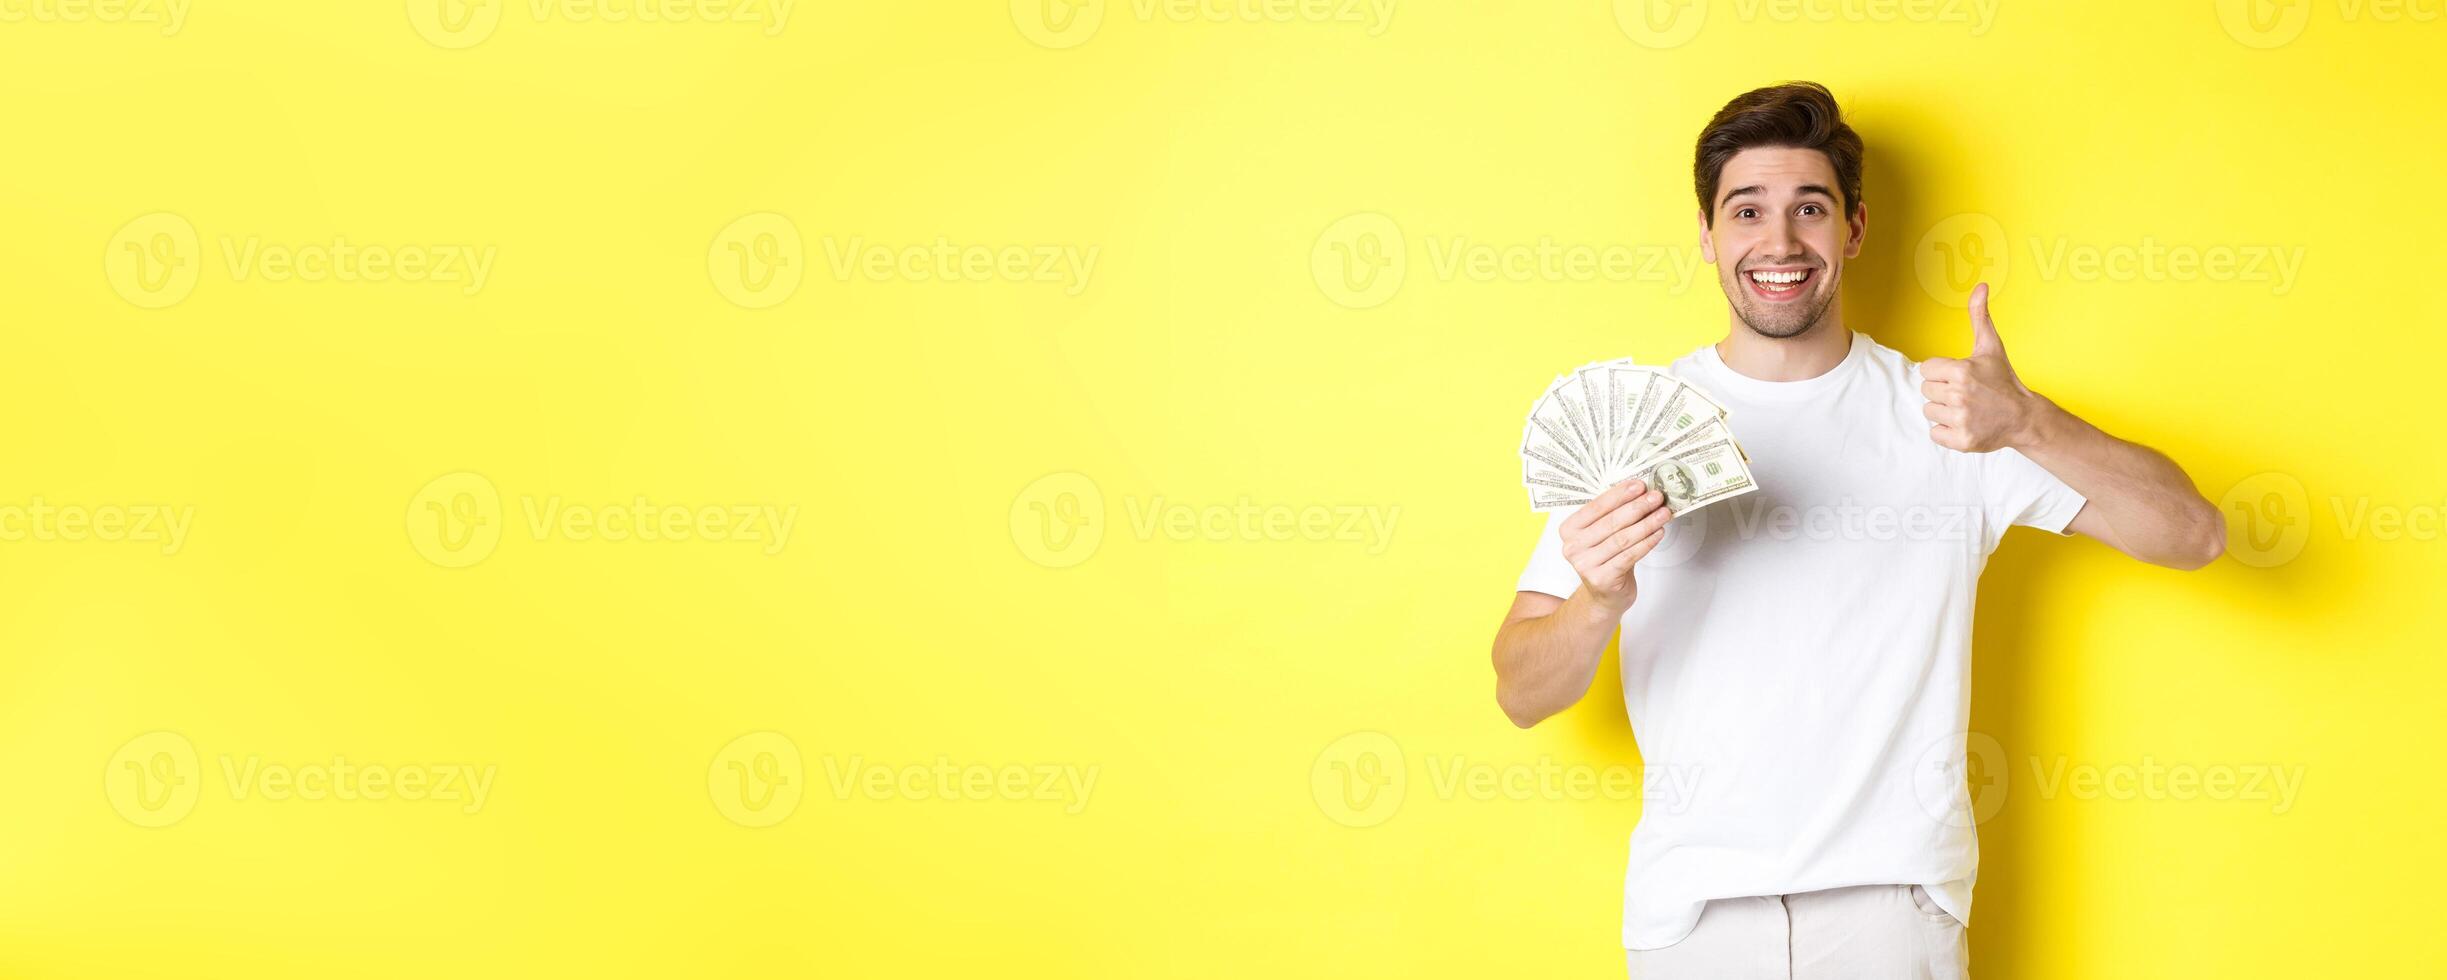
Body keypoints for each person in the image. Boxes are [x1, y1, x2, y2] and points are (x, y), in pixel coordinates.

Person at [1488, 82, 2224, 979]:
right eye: (1746, 210)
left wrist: (2032, 423)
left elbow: (2193, 536)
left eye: (1810, 208)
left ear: (1854, 230)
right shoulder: (1635, 427)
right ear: (1706, 236)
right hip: (1693, 917)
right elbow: (1521, 691)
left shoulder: (1956, 417)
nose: (1779, 242)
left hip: (1892, 909)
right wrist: (1598, 600)